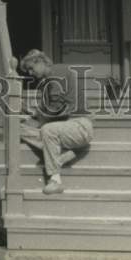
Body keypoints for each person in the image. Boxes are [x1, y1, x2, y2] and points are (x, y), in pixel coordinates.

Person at [19, 48, 94, 195]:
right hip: (66, 127)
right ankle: (65, 153)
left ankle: (55, 180)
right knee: (19, 129)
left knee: (47, 130)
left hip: (79, 126)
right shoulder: (48, 80)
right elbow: (48, 108)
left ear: (39, 61)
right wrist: (30, 114)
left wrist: (36, 118)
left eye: (30, 68)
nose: (30, 73)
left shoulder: (57, 73)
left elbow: (55, 108)